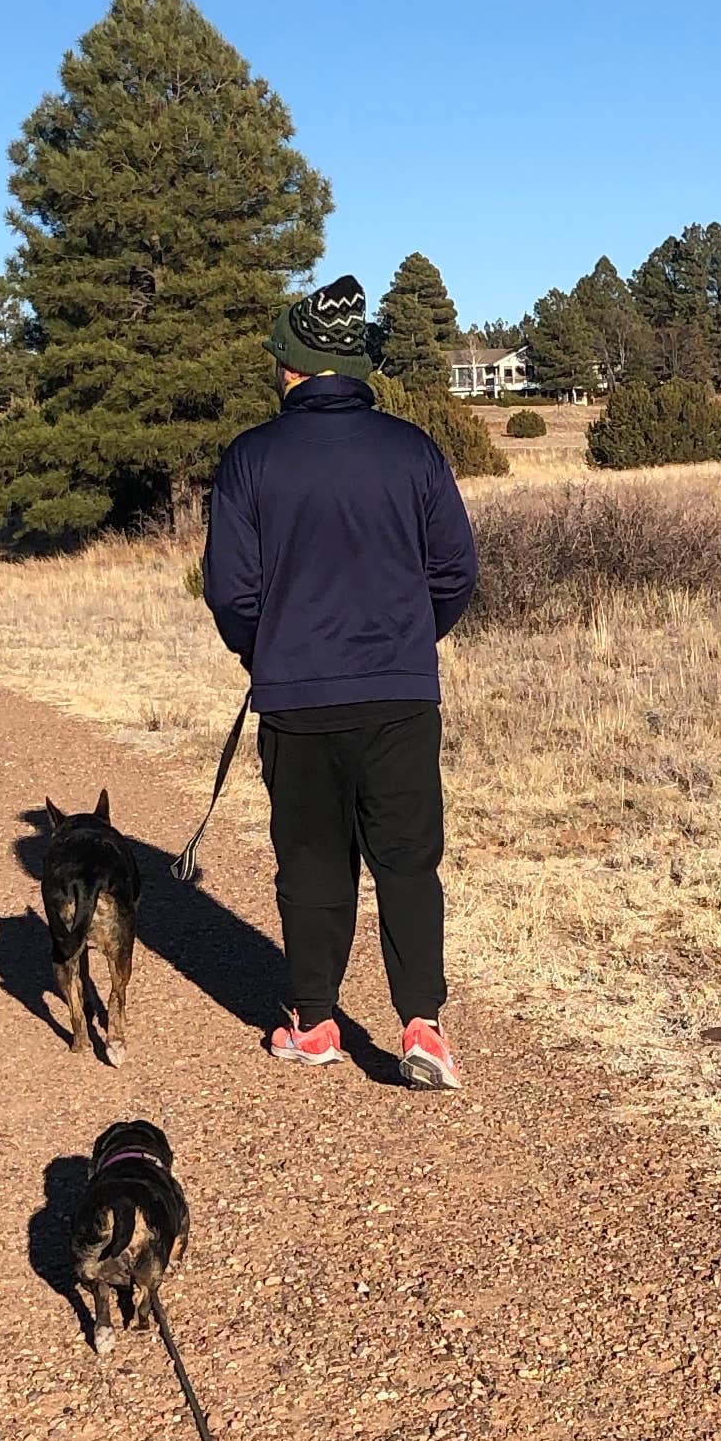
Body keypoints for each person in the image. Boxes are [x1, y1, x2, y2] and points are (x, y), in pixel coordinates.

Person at [201, 274, 479, 1088]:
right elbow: (455, 570)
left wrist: (271, 653)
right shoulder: (413, 450)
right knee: (405, 861)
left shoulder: (250, 458)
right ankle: (423, 1028)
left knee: (313, 864)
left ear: (291, 368)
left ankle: (315, 1024)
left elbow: (231, 591)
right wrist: (407, 641)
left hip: (297, 699)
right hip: (399, 696)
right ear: (353, 366)